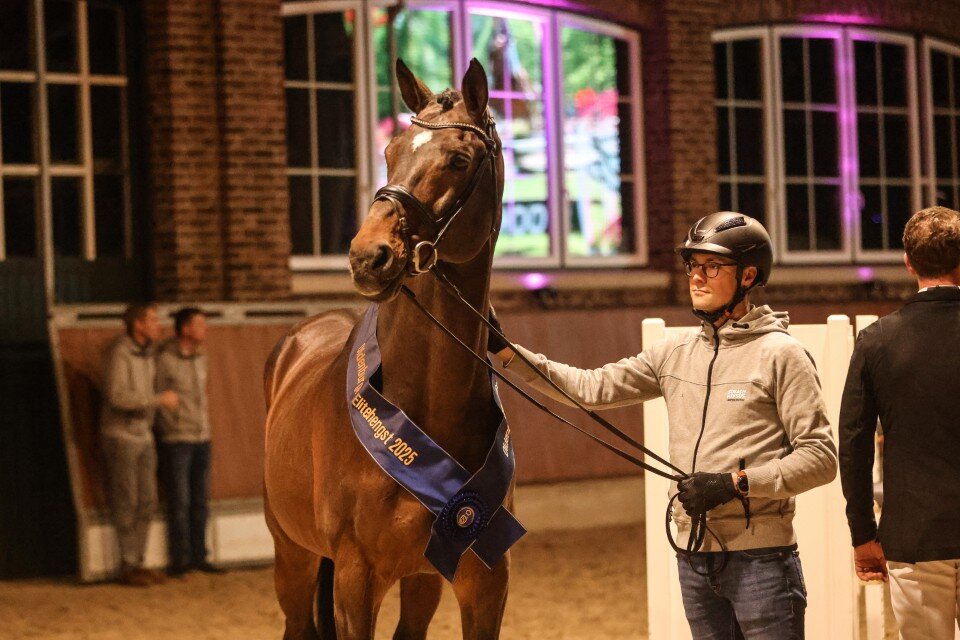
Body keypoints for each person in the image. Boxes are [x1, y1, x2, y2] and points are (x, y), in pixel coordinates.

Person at [491, 212, 837, 638]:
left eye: (712, 266)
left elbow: (820, 458)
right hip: (694, 557)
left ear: (748, 275)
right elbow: (592, 387)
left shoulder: (782, 355)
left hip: (762, 561)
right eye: (693, 265)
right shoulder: (673, 351)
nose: (697, 277)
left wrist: (736, 483)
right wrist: (508, 352)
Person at [839, 206, 960, 639]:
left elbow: (853, 445)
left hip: (915, 535)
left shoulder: (877, 340)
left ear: (908, 263)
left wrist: (862, 533)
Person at [101, 303, 178, 587]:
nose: (159, 325)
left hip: (143, 434)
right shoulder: (120, 353)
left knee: (147, 501)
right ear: (138, 325)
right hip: (121, 436)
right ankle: (128, 563)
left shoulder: (149, 354)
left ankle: (139, 562)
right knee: (127, 500)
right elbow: (117, 396)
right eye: (153, 320)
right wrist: (158, 400)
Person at [155, 307, 224, 576]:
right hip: (177, 438)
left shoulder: (201, 357)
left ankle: (199, 555)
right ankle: (179, 559)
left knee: (200, 500)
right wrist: (170, 424)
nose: (203, 329)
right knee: (180, 501)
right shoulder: (165, 360)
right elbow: (159, 394)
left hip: (201, 436)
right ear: (184, 329)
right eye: (198, 324)